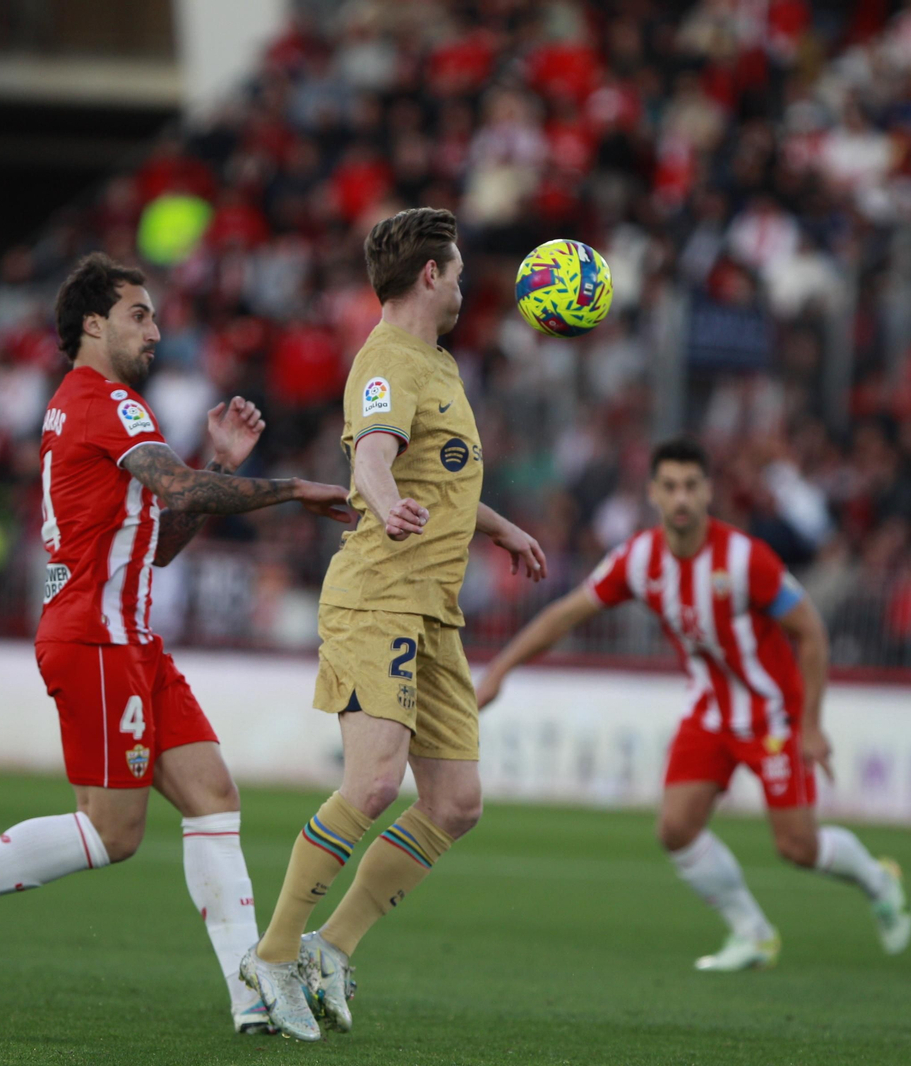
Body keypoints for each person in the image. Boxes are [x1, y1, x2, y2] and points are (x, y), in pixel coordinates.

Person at [0, 253, 351, 1034]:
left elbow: (156, 543)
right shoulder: (108, 403)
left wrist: (220, 468)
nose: (156, 331)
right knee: (110, 831)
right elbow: (183, 493)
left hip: (129, 639)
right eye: (140, 314)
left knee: (212, 796)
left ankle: (249, 997)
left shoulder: (81, 407)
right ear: (92, 324)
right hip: (96, 639)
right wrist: (293, 489)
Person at [241, 207, 546, 1041]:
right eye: (457, 271)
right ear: (431, 276)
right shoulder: (386, 362)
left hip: (434, 610)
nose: (465, 285)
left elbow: (434, 474)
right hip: (378, 596)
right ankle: (271, 957)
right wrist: (383, 504)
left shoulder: (438, 364)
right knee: (373, 784)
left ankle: (330, 948)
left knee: (455, 802)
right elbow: (372, 456)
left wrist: (501, 527)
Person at [476, 438, 911, 971]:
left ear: (708, 493)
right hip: (710, 710)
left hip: (772, 715)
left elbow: (812, 633)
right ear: (654, 493)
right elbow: (565, 616)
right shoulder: (640, 559)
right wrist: (499, 671)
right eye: (670, 486)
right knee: (676, 828)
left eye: (691, 486)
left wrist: (812, 725)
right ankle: (753, 933)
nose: (681, 497)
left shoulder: (744, 559)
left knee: (797, 847)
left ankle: (876, 878)